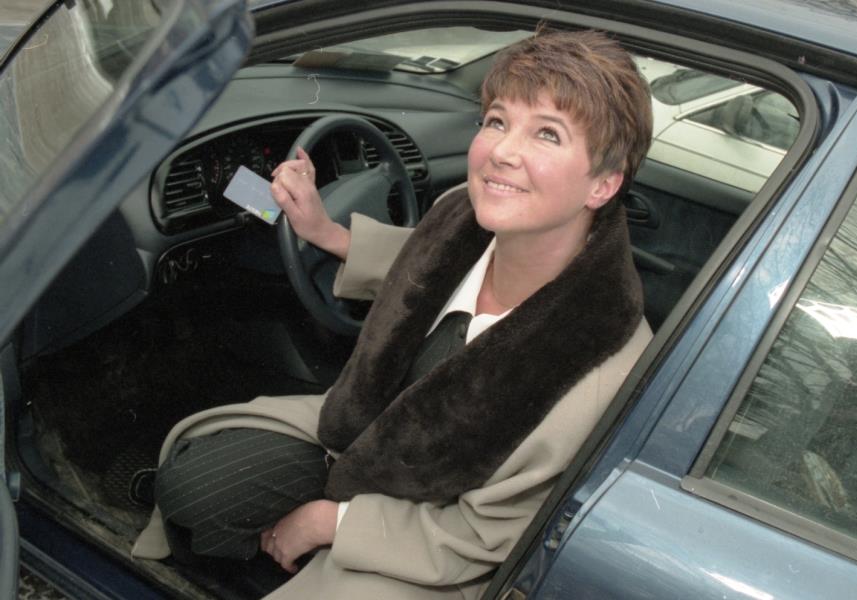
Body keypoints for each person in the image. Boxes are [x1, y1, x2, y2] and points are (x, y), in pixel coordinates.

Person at [132, 29, 654, 599]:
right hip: (367, 435)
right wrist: (325, 232)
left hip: (438, 536)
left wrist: (331, 523)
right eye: (497, 121)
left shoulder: (597, 372)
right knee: (193, 488)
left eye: (547, 133)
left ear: (603, 184)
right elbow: (421, 261)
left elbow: (484, 537)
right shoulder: (460, 214)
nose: (502, 151)